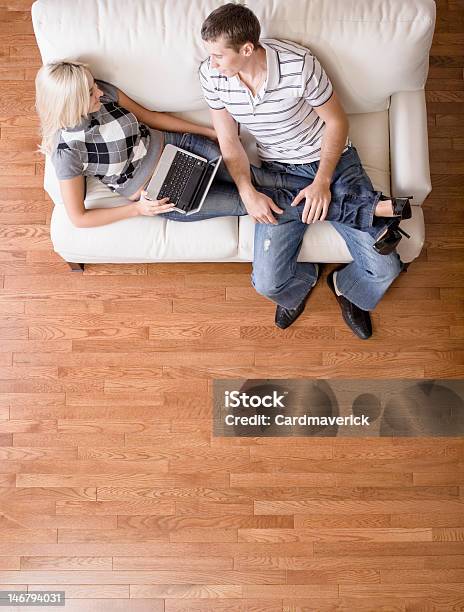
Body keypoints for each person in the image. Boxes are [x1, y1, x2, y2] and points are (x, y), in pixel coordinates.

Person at [199, 3, 411, 337]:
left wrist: (322, 182)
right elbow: (229, 140)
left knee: (385, 268)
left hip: (331, 162)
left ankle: (346, 288)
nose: (211, 63)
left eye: (218, 56)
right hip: (277, 172)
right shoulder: (212, 76)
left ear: (247, 49)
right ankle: (307, 276)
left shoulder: (299, 65)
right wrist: (247, 191)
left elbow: (337, 122)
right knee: (267, 284)